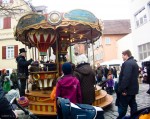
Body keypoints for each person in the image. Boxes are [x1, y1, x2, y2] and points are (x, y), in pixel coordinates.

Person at [116, 50, 139, 119]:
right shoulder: (134, 62)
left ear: (126, 55)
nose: (122, 57)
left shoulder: (127, 63)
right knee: (133, 105)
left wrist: (123, 89)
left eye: (122, 55)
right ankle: (134, 117)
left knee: (123, 107)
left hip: (127, 91)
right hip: (133, 89)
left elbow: (126, 77)